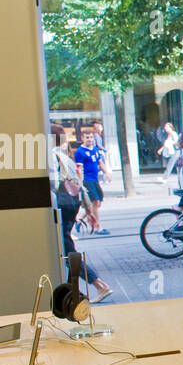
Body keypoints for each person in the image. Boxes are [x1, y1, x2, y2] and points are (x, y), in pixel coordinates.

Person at [51, 125, 113, 302]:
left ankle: (99, 285)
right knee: (65, 249)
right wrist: (87, 209)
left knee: (67, 250)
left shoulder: (52, 156)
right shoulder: (65, 156)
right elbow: (78, 183)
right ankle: (74, 293)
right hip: (72, 205)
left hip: (61, 206)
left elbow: (53, 185)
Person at [73, 129, 110, 235]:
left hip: (95, 179)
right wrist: (80, 183)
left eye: (91, 137)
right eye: (87, 137)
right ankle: (98, 227)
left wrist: (106, 173)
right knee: (94, 203)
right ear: (82, 138)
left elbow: (100, 162)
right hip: (87, 180)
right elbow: (78, 168)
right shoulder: (80, 152)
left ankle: (80, 220)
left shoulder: (94, 149)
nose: (89, 139)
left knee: (97, 204)